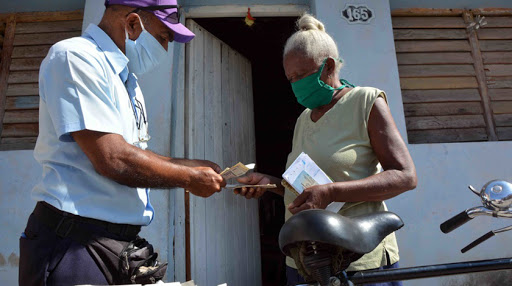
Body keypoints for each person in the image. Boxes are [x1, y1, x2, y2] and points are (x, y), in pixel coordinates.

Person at [19, 1, 226, 285]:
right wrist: (189, 177)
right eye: (163, 38)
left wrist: (193, 166)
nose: (165, 50)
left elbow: (132, 153)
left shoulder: (127, 80)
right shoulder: (75, 57)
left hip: (115, 242)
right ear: (132, 24)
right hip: (74, 243)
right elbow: (113, 158)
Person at [236, 14, 417, 286]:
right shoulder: (303, 119)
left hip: (357, 261)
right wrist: (270, 183)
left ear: (328, 66)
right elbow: (307, 188)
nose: (295, 85)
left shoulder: (365, 101)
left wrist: (332, 192)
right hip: (304, 261)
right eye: (290, 79)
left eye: (301, 76)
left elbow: (405, 176)